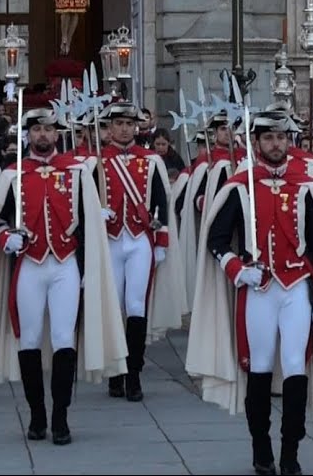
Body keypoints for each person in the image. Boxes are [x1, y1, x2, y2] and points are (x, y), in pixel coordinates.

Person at [187, 110, 313, 476]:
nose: (276, 144)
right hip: (259, 288)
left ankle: (291, 450)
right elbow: (215, 238)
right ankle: (261, 447)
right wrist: (236, 268)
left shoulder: (306, 186)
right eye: (268, 138)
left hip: (296, 286)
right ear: (256, 142)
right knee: (259, 368)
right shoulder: (240, 185)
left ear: (289, 141)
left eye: (281, 137)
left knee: (296, 365)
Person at [0, 106, 126, 446]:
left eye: (48, 130)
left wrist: (86, 268)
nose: (42, 135)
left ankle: (61, 416)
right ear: (28, 135)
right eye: (36, 130)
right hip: (30, 265)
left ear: (57, 134)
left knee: (64, 338)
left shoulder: (77, 172)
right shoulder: (14, 174)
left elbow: (89, 225)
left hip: (65, 264)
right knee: (30, 340)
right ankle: (37, 414)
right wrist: (7, 237)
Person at [95, 102, 184, 402]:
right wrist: (98, 212)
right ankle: (114, 371)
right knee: (114, 307)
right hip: (109, 239)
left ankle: (133, 373)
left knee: (135, 305)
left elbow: (161, 202)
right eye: (117, 123)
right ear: (108, 128)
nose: (123, 128)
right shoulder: (96, 161)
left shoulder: (150, 160)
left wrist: (161, 242)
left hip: (138, 239)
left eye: (128, 123)